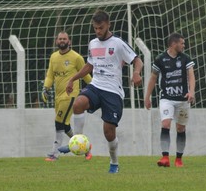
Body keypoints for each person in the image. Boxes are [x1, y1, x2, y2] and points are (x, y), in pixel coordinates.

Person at [64, 9, 143, 173]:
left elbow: (137, 60)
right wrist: (72, 79)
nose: (98, 31)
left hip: (113, 91)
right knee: (78, 104)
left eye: (101, 28)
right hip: (96, 85)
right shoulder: (93, 43)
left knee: (108, 132)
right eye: (95, 28)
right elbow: (89, 65)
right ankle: (78, 141)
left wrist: (136, 73)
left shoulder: (118, 43)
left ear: (108, 25)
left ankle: (114, 162)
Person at [144, 33, 196, 168]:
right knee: (166, 124)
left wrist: (191, 92)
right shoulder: (160, 59)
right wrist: (147, 96)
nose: (184, 46)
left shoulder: (185, 59)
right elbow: (153, 78)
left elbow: (191, 76)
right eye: (182, 43)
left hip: (183, 100)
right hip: (166, 98)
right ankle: (165, 157)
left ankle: (178, 159)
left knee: (180, 128)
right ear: (174, 44)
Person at [42, 31, 92, 161]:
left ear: (69, 41)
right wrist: (45, 88)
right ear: (56, 41)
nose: (62, 41)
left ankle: (54, 154)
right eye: (60, 39)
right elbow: (50, 76)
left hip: (70, 96)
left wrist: (95, 88)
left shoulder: (76, 57)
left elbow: (85, 75)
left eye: (64, 39)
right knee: (65, 126)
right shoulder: (53, 57)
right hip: (58, 97)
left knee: (58, 122)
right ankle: (85, 147)